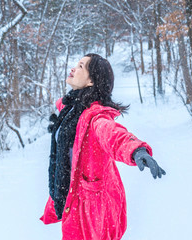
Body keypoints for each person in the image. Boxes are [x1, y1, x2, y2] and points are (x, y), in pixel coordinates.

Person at [40, 53, 166, 240]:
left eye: (81, 66)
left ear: (91, 81)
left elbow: (112, 134)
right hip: (74, 199)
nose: (73, 68)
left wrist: (136, 150)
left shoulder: (95, 116)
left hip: (92, 207)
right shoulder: (70, 110)